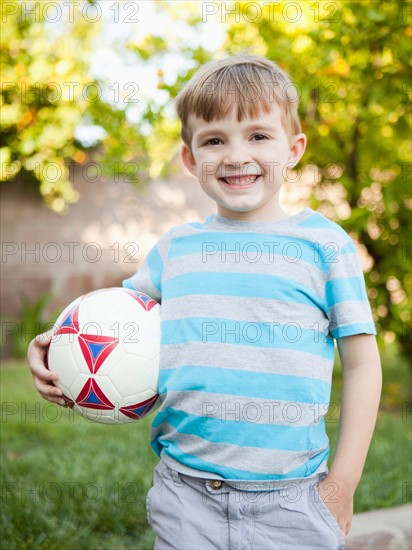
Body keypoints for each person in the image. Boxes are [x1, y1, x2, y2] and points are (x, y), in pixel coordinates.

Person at [28, 53, 382, 550]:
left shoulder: (324, 247)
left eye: (258, 136)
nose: (236, 156)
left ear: (294, 148)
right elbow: (106, 324)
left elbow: (364, 365)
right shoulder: (175, 249)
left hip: (292, 500)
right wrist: (47, 348)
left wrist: (342, 486)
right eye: (215, 140)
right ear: (191, 158)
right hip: (185, 496)